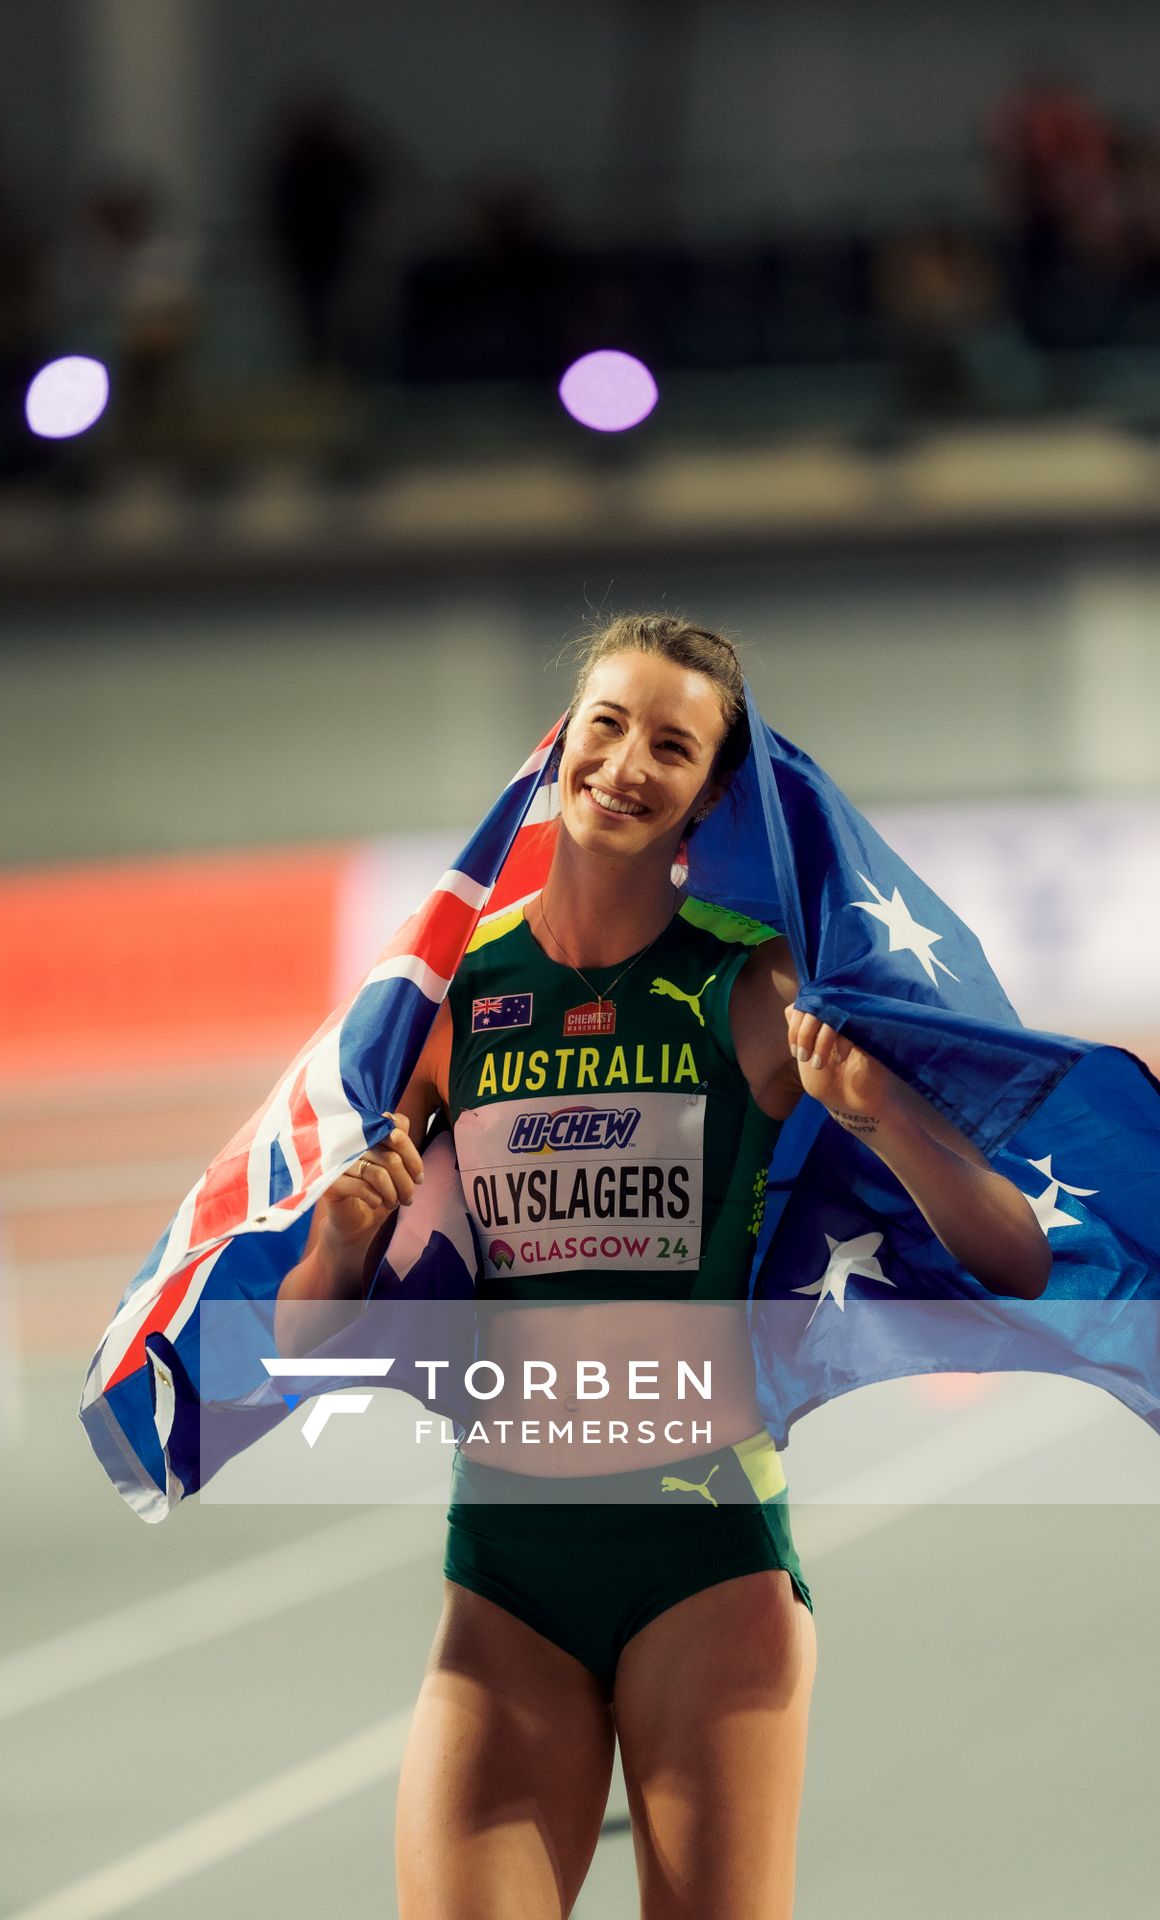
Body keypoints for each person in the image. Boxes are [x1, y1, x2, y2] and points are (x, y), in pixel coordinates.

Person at [276, 613, 1051, 1919]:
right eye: (609, 725)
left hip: (706, 1561)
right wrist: (343, 1239)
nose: (631, 763)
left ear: (709, 791)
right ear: (557, 747)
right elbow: (301, 1349)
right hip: (506, 1567)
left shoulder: (754, 991)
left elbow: (1016, 1259)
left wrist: (879, 1114)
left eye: (674, 747)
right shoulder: (455, 998)